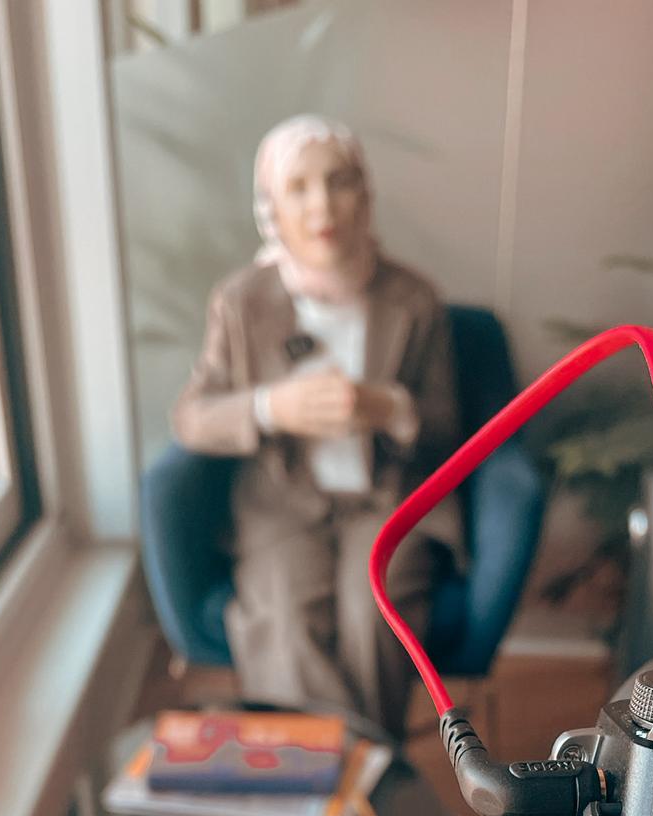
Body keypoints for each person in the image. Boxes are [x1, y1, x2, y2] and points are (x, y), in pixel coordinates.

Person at [171, 113, 462, 739]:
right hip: (282, 506)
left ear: (366, 195)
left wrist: (390, 407)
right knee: (285, 619)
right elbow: (192, 417)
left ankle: (338, 773)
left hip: (387, 502)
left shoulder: (415, 300)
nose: (321, 206)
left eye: (339, 182)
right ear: (269, 207)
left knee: (373, 613)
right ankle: (354, 765)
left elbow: (448, 430)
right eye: (298, 188)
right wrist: (269, 407)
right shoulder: (242, 301)